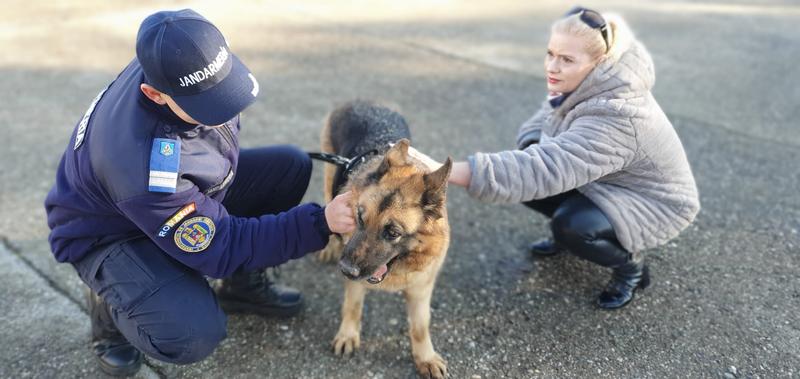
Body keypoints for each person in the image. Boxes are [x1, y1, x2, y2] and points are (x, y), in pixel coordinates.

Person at [44, 9, 354, 376]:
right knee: (193, 333)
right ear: (154, 94)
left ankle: (241, 289)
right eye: (209, 106)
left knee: (290, 166)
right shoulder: (146, 169)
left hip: (158, 196)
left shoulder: (175, 58)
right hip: (106, 235)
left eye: (226, 90)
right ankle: (112, 307)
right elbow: (221, 247)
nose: (225, 113)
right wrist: (321, 223)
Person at [411, 7, 700, 310]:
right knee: (528, 183)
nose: (552, 66)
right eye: (550, 53)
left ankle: (631, 267)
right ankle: (574, 237)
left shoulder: (617, 114)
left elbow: (543, 169)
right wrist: (532, 151)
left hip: (654, 201)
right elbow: (547, 120)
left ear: (599, 63)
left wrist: (442, 172)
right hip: (608, 180)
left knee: (570, 223)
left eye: (567, 59)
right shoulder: (585, 82)